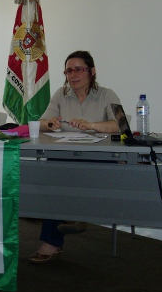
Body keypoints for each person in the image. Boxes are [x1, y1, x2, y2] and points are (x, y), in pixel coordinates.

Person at [28, 50, 121, 263]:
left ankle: (65, 223)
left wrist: (92, 126)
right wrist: (50, 124)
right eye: (69, 70)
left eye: (79, 69)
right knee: (51, 171)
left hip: (99, 157)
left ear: (92, 71)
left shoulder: (107, 94)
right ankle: (65, 223)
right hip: (65, 154)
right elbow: (42, 122)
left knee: (64, 174)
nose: (73, 74)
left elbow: (120, 125)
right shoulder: (61, 94)